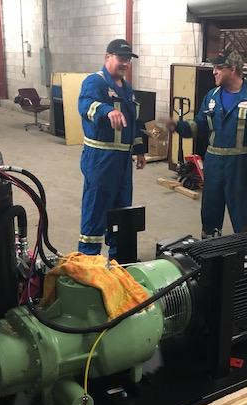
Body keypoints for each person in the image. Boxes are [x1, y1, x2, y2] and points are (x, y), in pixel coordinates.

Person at [167, 49, 247, 237]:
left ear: (232, 69)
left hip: (241, 166)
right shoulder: (212, 96)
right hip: (214, 164)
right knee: (210, 211)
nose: (214, 72)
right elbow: (199, 125)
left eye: (218, 68)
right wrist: (179, 126)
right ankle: (210, 251)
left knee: (244, 214)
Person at [77, 39, 146, 257]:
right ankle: (89, 259)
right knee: (96, 207)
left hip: (123, 161)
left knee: (122, 208)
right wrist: (107, 111)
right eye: (121, 58)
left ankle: (118, 259)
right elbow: (85, 105)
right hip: (101, 158)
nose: (125, 63)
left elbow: (133, 122)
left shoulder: (127, 88)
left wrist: (139, 149)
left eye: (128, 59)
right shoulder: (94, 82)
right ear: (108, 57)